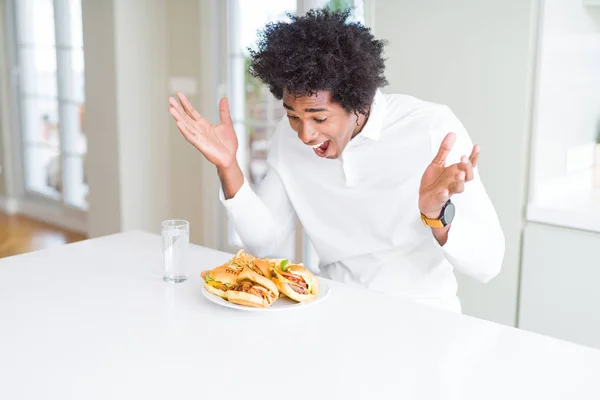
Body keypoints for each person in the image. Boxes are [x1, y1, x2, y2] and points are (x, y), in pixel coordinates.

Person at [168, 9, 504, 313]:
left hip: (423, 312)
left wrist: (436, 216)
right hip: (335, 305)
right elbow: (264, 240)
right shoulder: (289, 140)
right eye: (293, 116)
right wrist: (228, 166)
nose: (305, 134)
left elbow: (489, 263)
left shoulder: (431, 129)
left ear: (357, 102)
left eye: (319, 118)